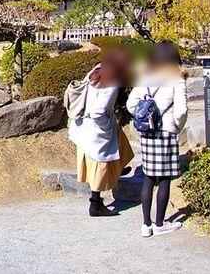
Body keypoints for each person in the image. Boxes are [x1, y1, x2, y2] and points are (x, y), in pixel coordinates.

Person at [127, 41, 188, 237]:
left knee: (148, 177)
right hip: (166, 132)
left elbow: (131, 104)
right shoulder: (176, 79)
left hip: (147, 133)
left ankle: (146, 225)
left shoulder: (146, 76)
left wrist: (144, 116)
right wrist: (177, 126)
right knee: (164, 179)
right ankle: (160, 223)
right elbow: (181, 111)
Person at [66, 45, 135, 217]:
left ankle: (118, 168)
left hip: (82, 124)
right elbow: (99, 111)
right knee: (99, 164)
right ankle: (95, 204)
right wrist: (106, 126)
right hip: (95, 126)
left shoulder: (96, 70)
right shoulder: (112, 83)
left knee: (120, 140)